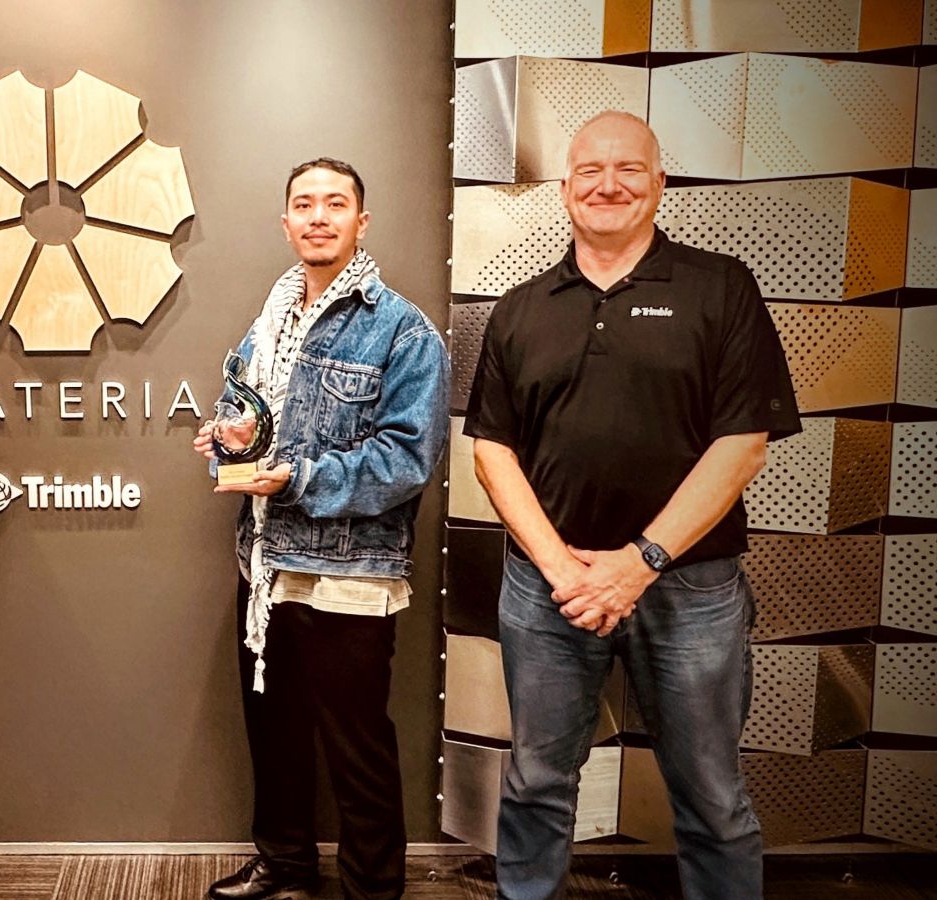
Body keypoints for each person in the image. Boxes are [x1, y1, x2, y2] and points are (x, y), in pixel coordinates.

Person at [465, 111, 800, 900]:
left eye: (628, 170)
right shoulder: (522, 307)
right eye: (589, 171)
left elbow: (743, 445)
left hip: (690, 588)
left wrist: (639, 562)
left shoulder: (719, 288)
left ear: (660, 183)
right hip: (549, 587)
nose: (607, 185)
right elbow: (491, 451)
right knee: (536, 782)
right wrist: (564, 568)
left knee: (713, 797)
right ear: (564, 189)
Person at [194, 158, 450, 900]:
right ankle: (286, 866)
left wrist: (300, 475)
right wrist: (231, 437)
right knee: (273, 734)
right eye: (303, 204)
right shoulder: (268, 317)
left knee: (357, 748)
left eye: (334, 204)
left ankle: (372, 889)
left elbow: (407, 460)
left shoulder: (403, 331)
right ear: (285, 222)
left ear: (360, 222)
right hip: (264, 565)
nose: (317, 216)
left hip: (349, 575)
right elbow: (249, 409)